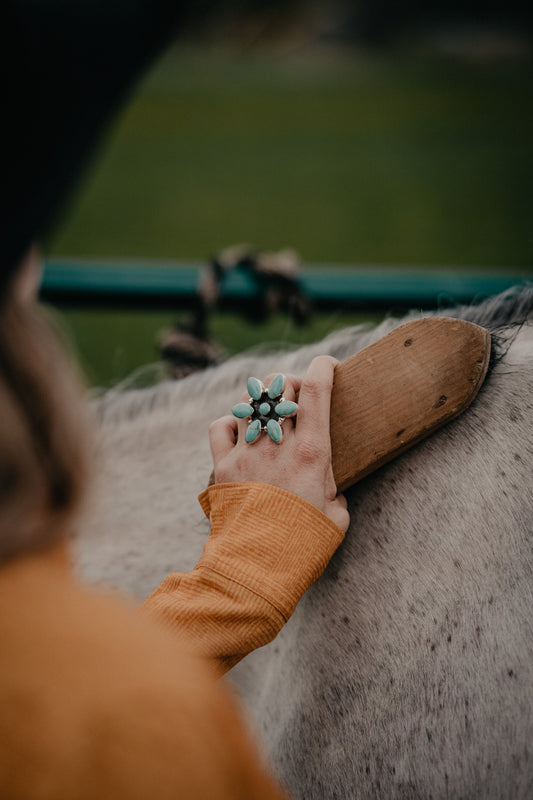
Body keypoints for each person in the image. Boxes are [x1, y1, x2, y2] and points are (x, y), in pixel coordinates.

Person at [0, 6, 349, 795]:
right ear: (24, 272)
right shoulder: (130, 719)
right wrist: (231, 594)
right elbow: (69, 717)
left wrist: (227, 593)